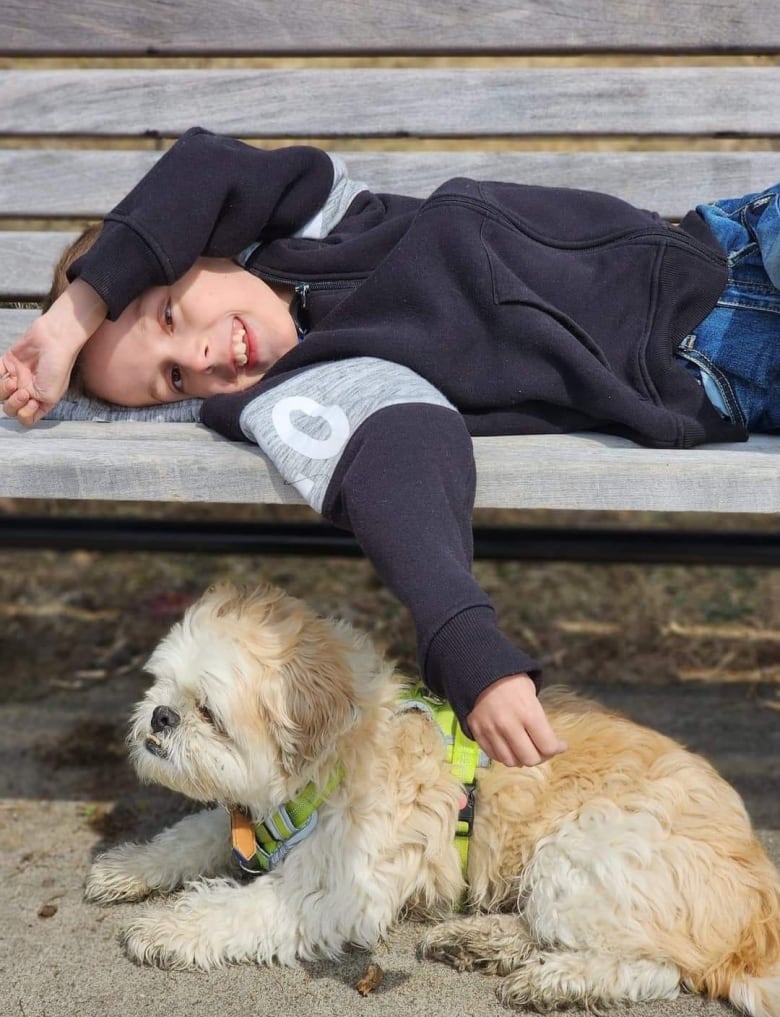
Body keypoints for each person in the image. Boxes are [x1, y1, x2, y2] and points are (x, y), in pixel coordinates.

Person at [3, 128, 778, 768]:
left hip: (734, 247)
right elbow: (400, 462)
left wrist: (77, 313)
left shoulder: (316, 222)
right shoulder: (316, 390)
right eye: (174, 380)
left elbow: (207, 168)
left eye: (171, 314)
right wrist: (463, 641)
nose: (203, 357)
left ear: (197, 247)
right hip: (715, 368)